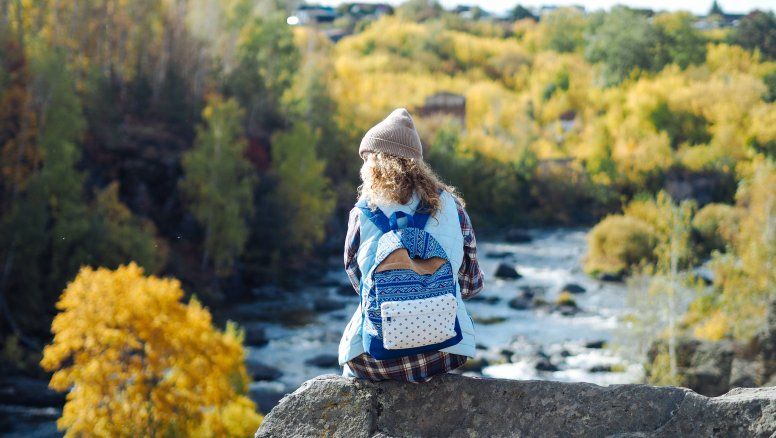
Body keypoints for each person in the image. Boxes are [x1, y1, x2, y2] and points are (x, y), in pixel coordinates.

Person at [337, 108, 485, 383]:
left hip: (378, 358)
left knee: (349, 368)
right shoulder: (452, 207)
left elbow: (360, 283)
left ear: (373, 164)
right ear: (418, 165)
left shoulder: (361, 213)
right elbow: (471, 285)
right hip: (444, 350)